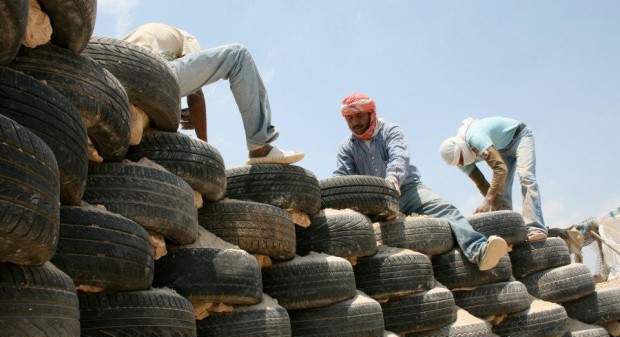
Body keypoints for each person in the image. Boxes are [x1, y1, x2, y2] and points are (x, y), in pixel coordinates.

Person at [334, 93, 508, 271]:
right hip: (373, 202)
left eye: (359, 116)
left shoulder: (390, 131)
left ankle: (479, 250)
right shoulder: (347, 147)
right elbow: (343, 178)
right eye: (350, 118)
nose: (354, 123)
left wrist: (392, 181)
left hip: (407, 190)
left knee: (444, 208)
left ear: (371, 113)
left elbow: (399, 157)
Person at [123, 22, 304, 165]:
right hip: (151, 71)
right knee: (238, 56)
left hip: (121, 80)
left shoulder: (146, 36)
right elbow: (195, 94)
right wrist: (205, 151)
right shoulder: (188, 38)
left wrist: (175, 112)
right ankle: (259, 146)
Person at [439, 117, 547, 242]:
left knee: (526, 176)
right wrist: (493, 205)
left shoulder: (476, 137)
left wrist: (487, 201)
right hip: (501, 149)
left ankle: (535, 228)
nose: (462, 164)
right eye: (458, 163)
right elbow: (482, 184)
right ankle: (509, 231)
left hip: (519, 137)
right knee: (501, 192)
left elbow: (500, 169)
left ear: (462, 148)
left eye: (461, 160)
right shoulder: (460, 162)